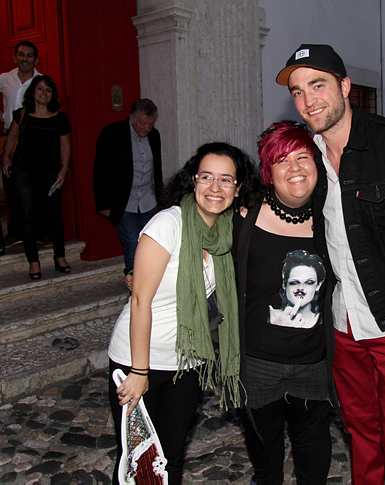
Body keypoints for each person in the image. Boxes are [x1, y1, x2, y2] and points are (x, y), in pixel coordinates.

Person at [276, 44, 385, 484]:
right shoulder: (307, 159)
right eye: (298, 91)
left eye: (317, 85)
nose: (308, 100)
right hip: (343, 326)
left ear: (345, 86)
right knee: (361, 434)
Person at [108, 142, 255, 484]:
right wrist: (139, 371)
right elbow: (140, 300)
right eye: (206, 177)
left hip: (189, 360)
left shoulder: (228, 231)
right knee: (137, 461)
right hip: (139, 358)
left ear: (237, 188)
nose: (215, 187)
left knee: (170, 457)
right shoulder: (168, 224)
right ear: (193, 180)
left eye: (226, 179)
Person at [234, 121, 335, 485]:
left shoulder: (332, 218)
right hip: (258, 366)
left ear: (317, 164)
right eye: (282, 160)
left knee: (314, 459)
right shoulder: (244, 217)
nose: (294, 168)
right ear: (268, 172)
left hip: (314, 365)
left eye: (302, 157)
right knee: (266, 463)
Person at [2, 74, 70, 279]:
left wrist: (63, 170)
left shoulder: (60, 118)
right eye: (40, 89)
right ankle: (33, 262)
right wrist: (6, 159)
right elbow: (12, 138)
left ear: (53, 94)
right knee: (27, 214)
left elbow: (65, 146)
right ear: (33, 92)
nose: (44, 93)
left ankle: (60, 256)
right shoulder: (21, 114)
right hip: (24, 171)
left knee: (55, 213)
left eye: (48, 90)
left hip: (51, 172)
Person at [93, 98, 163, 286]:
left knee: (152, 242)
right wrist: (103, 204)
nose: (146, 128)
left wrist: (161, 198)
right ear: (132, 117)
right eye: (142, 123)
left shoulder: (154, 136)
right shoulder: (112, 133)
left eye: (150, 124)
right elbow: (100, 170)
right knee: (132, 241)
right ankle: (136, 285)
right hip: (124, 201)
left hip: (148, 200)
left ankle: (152, 283)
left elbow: (157, 169)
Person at [0, 40, 41, 248]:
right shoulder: (5, 79)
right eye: (21, 54)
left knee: (35, 185)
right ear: (15, 57)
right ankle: (15, 232)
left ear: (36, 59)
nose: (25, 59)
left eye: (29, 55)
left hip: (34, 138)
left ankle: (38, 232)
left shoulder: (41, 81)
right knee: (11, 184)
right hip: (10, 136)